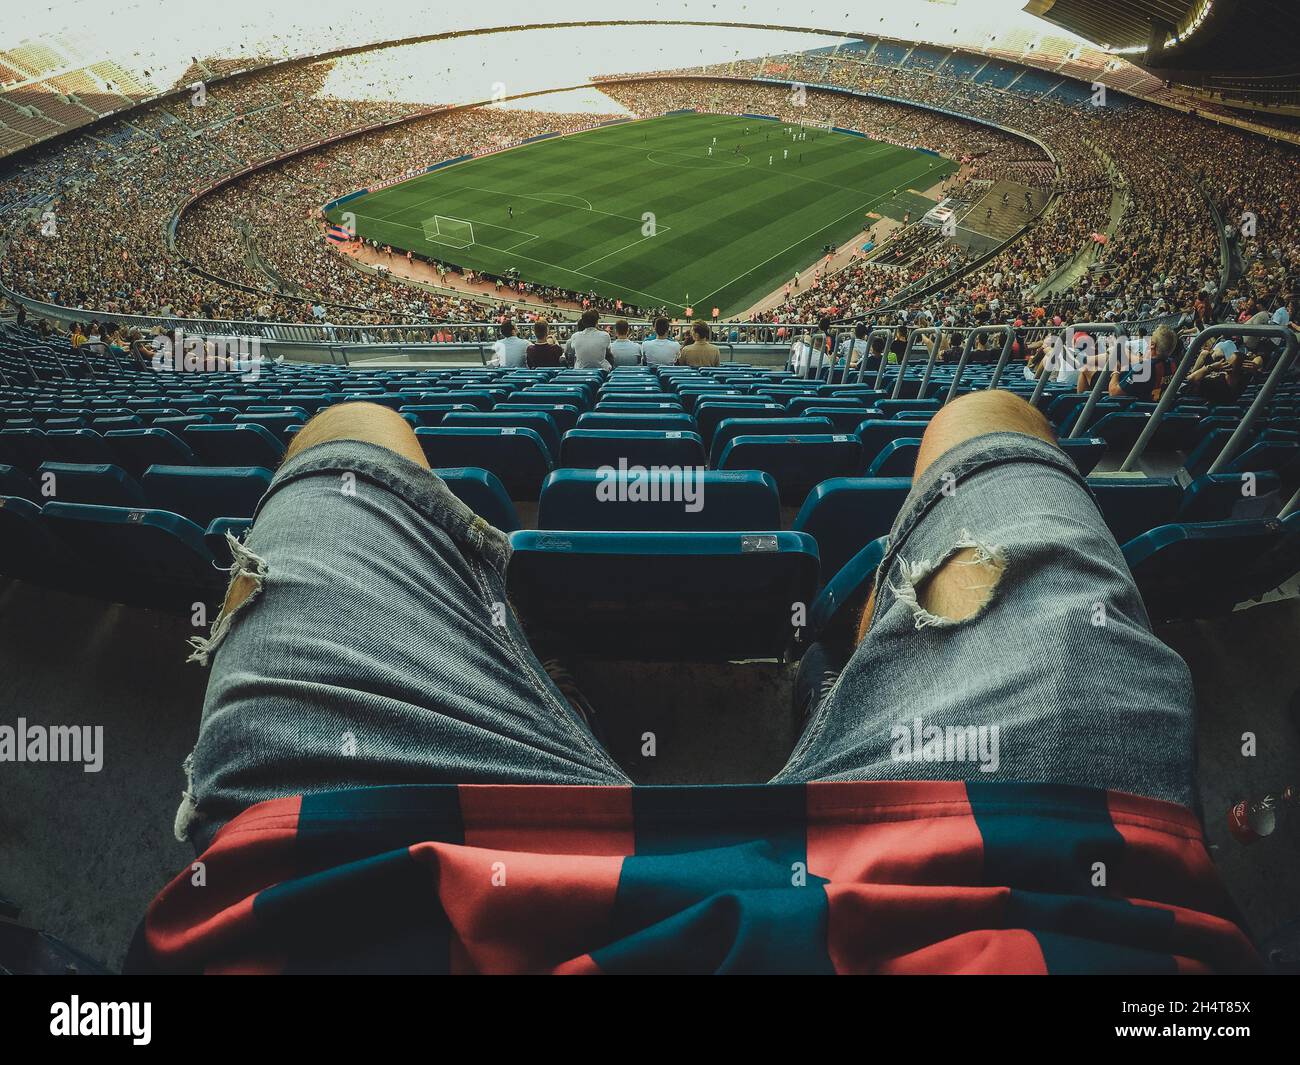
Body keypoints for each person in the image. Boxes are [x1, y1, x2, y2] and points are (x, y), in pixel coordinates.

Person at [130, 392, 1257, 974]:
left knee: (350, 432)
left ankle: (541, 690)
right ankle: (859, 641)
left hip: (362, 877)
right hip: (1034, 878)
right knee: (987, 425)